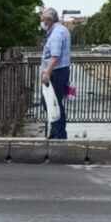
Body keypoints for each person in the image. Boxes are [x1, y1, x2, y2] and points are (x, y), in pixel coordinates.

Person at [40, 7, 72, 140]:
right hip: (60, 71)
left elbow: (55, 56)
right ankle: (56, 131)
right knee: (54, 102)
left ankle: (59, 135)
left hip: (56, 73)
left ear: (48, 20)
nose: (42, 23)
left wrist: (47, 73)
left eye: (42, 20)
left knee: (52, 103)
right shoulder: (62, 29)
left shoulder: (56, 34)